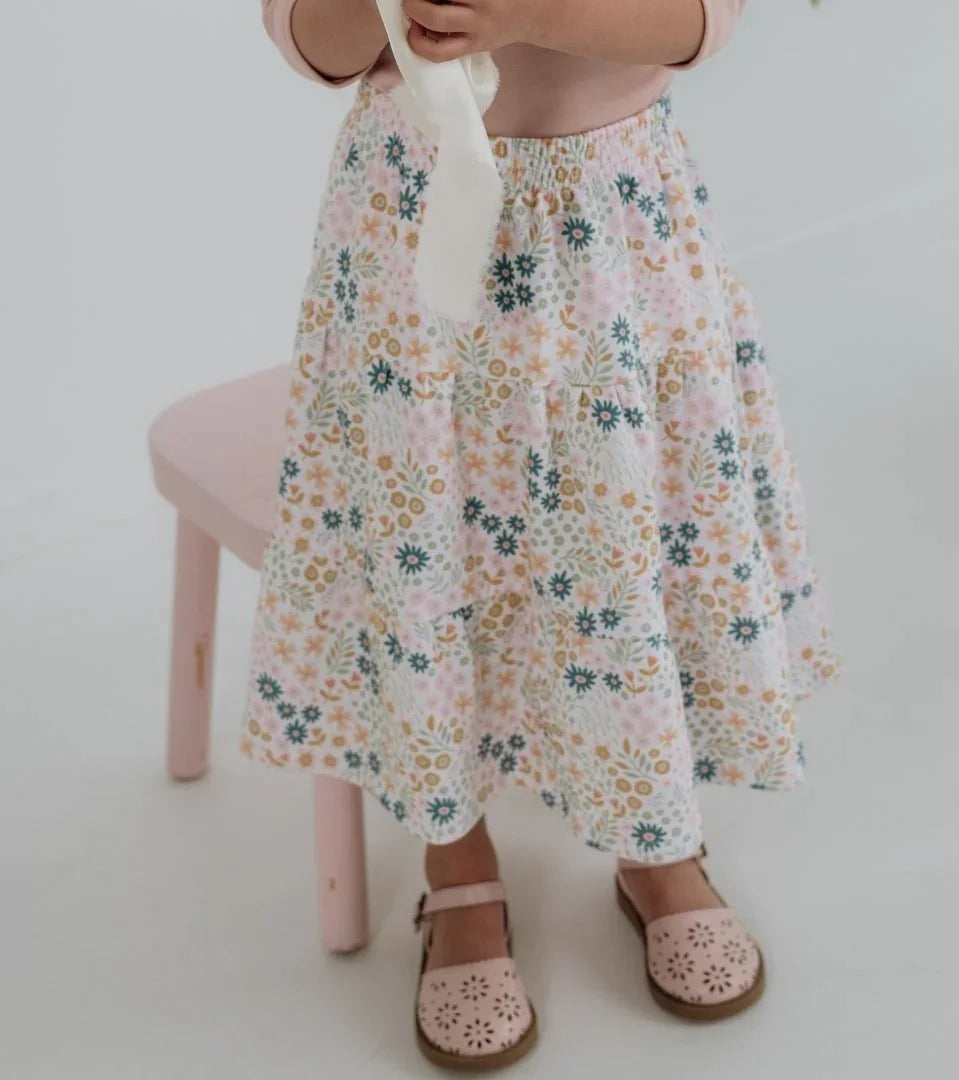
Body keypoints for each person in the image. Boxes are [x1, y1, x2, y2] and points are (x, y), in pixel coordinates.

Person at [247, 0, 841, 1068]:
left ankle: (653, 833)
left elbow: (694, 25)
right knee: (427, 540)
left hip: (612, 225)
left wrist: (529, 12)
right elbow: (310, 43)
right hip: (413, 222)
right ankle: (455, 855)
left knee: (623, 533)